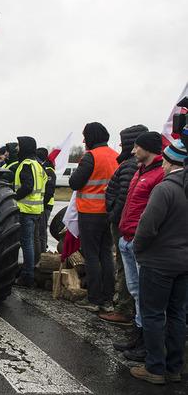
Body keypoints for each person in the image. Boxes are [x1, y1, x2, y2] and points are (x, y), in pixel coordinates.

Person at [129, 141, 188, 385]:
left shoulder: (165, 189)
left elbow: (147, 226)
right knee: (177, 314)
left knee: (153, 314)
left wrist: (138, 248)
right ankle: (175, 367)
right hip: (184, 263)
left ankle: (154, 368)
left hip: (159, 262)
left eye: (164, 160)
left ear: (169, 161)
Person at [109, 132, 164, 362]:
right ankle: (138, 335)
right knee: (135, 292)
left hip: (141, 243)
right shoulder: (140, 171)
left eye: (137, 147)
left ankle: (147, 344)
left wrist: (141, 239)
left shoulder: (159, 176)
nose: (132, 151)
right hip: (127, 238)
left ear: (148, 149)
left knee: (146, 295)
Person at [69, 122, 119, 313]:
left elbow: (74, 183)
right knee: (106, 254)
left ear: (91, 137)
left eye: (85, 136)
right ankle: (107, 298)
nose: (83, 140)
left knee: (91, 255)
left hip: (90, 213)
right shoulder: (115, 156)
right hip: (109, 212)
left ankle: (94, 298)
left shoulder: (91, 156)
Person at [102, 124, 148, 328]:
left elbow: (125, 197)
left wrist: (113, 215)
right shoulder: (131, 164)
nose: (120, 144)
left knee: (125, 265)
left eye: (124, 141)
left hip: (123, 224)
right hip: (123, 221)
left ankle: (124, 309)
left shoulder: (130, 165)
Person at [13, 136, 47, 288]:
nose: (16, 149)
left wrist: (13, 196)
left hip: (25, 209)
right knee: (32, 242)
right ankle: (31, 271)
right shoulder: (39, 165)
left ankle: (27, 276)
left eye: (19, 146)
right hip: (37, 210)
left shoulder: (26, 164)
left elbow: (27, 187)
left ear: (25, 147)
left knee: (26, 243)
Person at [34, 147, 56, 263]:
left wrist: (43, 204)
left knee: (42, 230)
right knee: (39, 231)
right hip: (41, 205)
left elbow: (49, 191)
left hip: (46, 205)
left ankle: (43, 253)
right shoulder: (42, 168)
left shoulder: (49, 170)